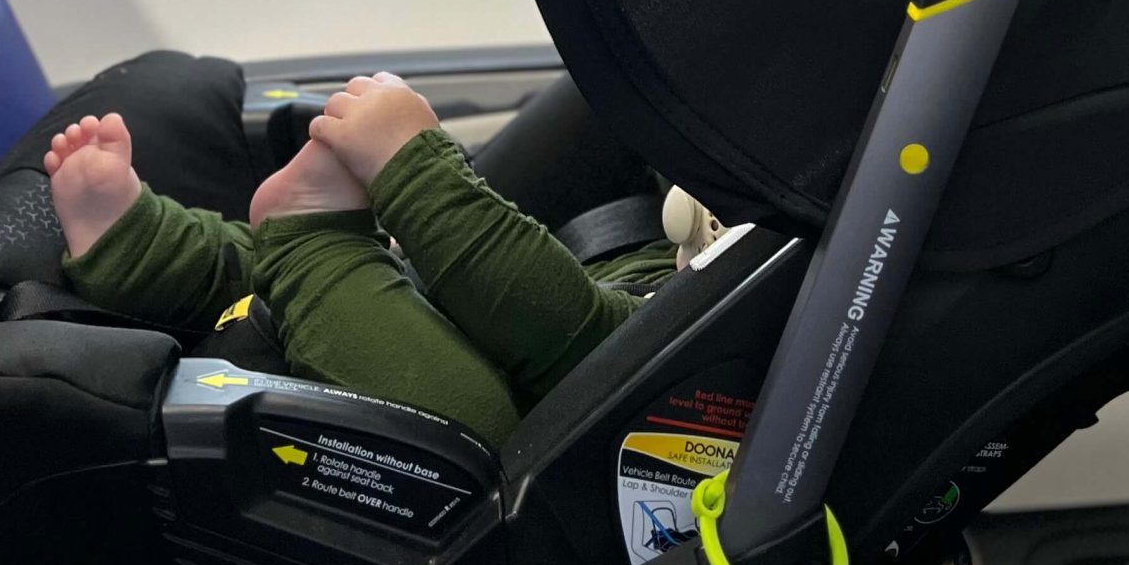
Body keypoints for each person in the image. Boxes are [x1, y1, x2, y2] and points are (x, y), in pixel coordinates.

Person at [43, 70, 681, 447]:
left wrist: (416, 168)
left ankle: (306, 239)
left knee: (474, 425)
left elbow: (581, 349)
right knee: (392, 273)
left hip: (581, 442)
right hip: (648, 290)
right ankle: (138, 246)